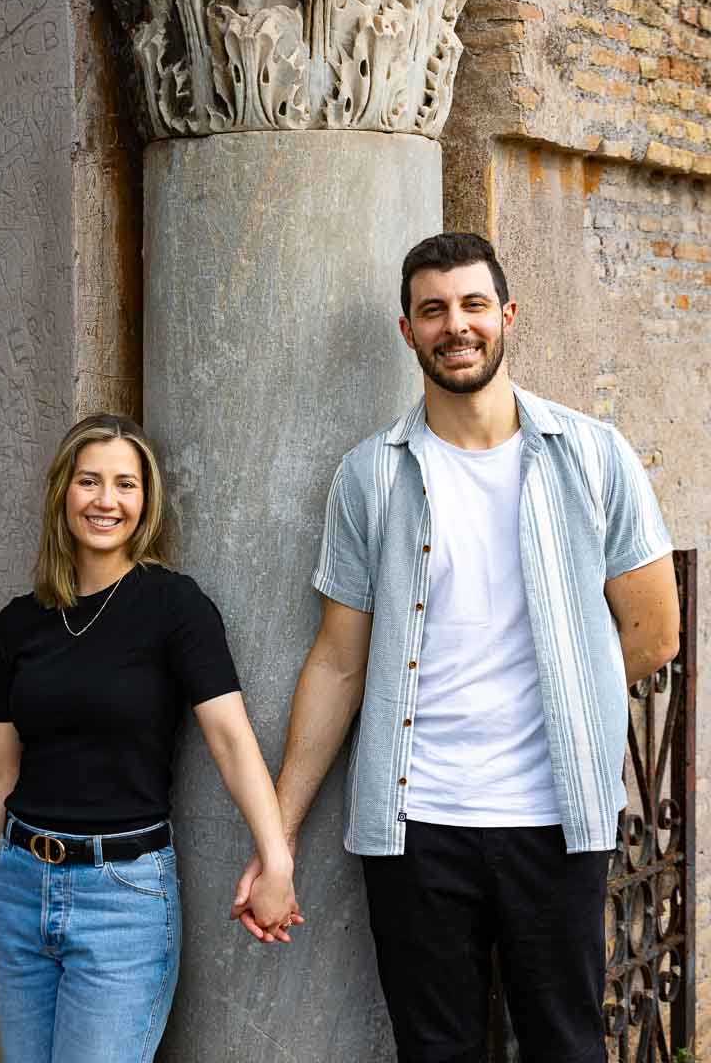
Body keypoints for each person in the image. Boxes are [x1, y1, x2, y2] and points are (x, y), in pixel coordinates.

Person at [232, 233, 680, 1062]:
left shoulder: (592, 456)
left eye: (473, 305)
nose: (456, 325)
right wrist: (279, 834)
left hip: (556, 819)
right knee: (434, 1050)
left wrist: (567, 697)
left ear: (507, 316)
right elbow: (338, 661)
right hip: (418, 826)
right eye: (433, 309)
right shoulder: (371, 475)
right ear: (408, 330)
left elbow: (654, 632)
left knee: (567, 1046)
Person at [0, 413, 300, 1063]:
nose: (106, 500)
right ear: (64, 492)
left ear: (146, 501)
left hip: (123, 901)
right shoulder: (19, 624)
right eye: (89, 481)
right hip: (18, 889)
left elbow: (230, 740)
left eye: (125, 484)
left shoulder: (176, 607)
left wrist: (275, 857)